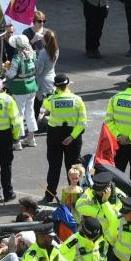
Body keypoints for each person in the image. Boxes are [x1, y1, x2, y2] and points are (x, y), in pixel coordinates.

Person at [40, 73, 86, 201]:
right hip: (73, 136)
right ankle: (75, 195)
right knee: (73, 168)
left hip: (54, 135)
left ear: (55, 86)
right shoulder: (77, 100)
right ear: (67, 84)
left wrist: (52, 94)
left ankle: (49, 195)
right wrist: (72, 136)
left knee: (54, 166)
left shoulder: (52, 100)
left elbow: (44, 107)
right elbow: (82, 122)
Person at [4, 35, 38, 149]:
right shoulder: (33, 54)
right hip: (32, 87)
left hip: (19, 89)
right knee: (30, 113)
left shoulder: (16, 58)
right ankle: (31, 139)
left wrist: (4, 70)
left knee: (19, 114)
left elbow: (11, 75)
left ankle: (18, 142)